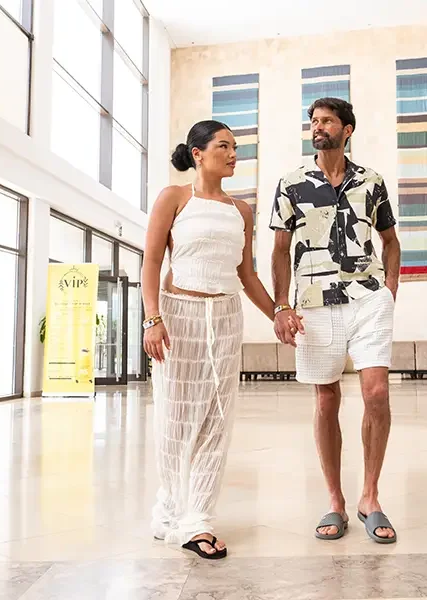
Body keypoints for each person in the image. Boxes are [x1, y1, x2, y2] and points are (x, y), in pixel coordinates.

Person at [142, 120, 276, 559]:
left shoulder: (242, 211)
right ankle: (170, 505)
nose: (234, 153)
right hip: (177, 314)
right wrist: (152, 318)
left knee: (218, 419)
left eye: (235, 147)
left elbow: (247, 275)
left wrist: (280, 313)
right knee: (177, 418)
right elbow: (151, 263)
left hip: (226, 315)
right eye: (224, 146)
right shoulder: (175, 198)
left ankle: (198, 518)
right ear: (197, 153)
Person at [270, 98, 401, 544]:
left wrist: (389, 292)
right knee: (326, 400)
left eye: (326, 121)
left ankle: (370, 497)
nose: (317, 127)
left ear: (347, 129)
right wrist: (281, 306)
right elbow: (278, 252)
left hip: (367, 299)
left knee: (376, 393)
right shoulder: (291, 184)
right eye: (313, 121)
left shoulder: (372, 182)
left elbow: (391, 241)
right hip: (313, 302)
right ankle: (335, 501)